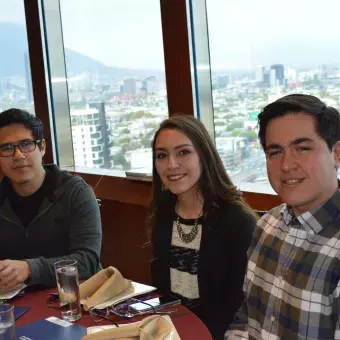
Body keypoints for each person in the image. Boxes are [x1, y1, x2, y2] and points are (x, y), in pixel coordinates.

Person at [225, 94, 340, 339]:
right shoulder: (267, 225)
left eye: (302, 148)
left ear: (336, 154)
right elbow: (246, 317)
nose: (287, 165)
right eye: (275, 152)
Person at [149, 115, 257, 339]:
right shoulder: (163, 215)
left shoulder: (237, 221)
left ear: (203, 156)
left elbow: (240, 309)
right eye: (162, 155)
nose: (171, 164)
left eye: (183, 152)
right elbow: (165, 295)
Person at [0, 108, 102, 293]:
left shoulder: (75, 192)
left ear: (43, 147)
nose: (18, 155)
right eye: (7, 148)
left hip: (77, 300)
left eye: (26, 144)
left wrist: (30, 269)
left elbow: (88, 262)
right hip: (15, 302)